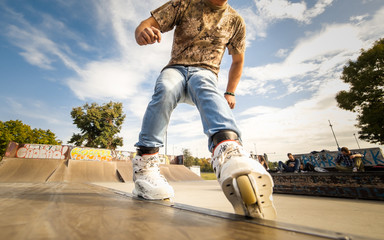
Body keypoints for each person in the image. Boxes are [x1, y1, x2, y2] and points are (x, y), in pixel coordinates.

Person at [132, 0, 276, 219]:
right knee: (166, 89)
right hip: (176, 69)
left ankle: (228, 150)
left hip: (205, 72)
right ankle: (145, 164)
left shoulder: (235, 20)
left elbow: (238, 61)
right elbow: (146, 23)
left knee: (206, 87)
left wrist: (230, 91)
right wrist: (143, 32)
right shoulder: (184, 3)